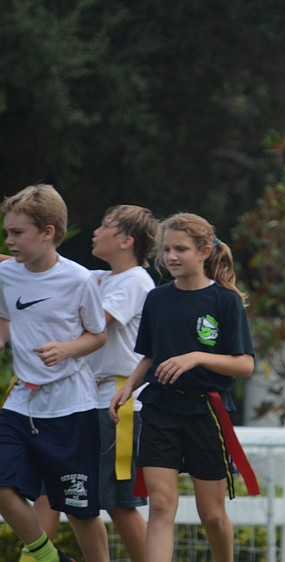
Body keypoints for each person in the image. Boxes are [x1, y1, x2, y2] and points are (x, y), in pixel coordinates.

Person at [109, 213, 255, 562]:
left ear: (205, 251)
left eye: (181, 249)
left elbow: (244, 364)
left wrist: (196, 357)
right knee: (160, 505)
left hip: (207, 412)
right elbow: (150, 357)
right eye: (167, 249)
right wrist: (128, 386)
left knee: (212, 514)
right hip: (160, 409)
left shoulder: (225, 301)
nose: (172, 256)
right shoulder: (157, 299)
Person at [0, 184, 110, 562]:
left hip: (71, 407)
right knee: (2, 486)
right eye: (7, 233)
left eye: (18, 233)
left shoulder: (80, 280)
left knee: (80, 509)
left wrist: (66, 349)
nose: (10, 241)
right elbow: (4, 319)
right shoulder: (7, 275)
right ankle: (48, 558)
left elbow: (98, 335)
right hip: (21, 403)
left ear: (48, 232)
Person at [89, 204, 158, 561]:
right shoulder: (103, 278)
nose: (95, 232)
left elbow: (94, 322)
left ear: (126, 240)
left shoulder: (135, 281)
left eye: (105, 226)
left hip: (121, 401)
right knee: (80, 501)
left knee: (120, 503)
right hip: (94, 398)